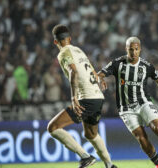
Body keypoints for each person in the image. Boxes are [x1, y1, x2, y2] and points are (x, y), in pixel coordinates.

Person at [98, 37, 158, 168]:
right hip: (126, 109)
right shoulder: (118, 63)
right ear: (126, 49)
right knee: (141, 137)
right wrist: (100, 79)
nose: (133, 52)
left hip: (144, 103)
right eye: (130, 49)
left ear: (140, 49)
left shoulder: (146, 66)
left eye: (136, 49)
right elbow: (99, 73)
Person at [47, 24, 117, 168]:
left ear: (55, 42)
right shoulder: (78, 50)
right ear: (70, 38)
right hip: (98, 97)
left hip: (86, 98)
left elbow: (74, 72)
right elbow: (91, 70)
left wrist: (74, 98)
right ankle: (110, 165)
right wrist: (100, 79)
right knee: (91, 134)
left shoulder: (63, 53)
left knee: (53, 127)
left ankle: (85, 157)